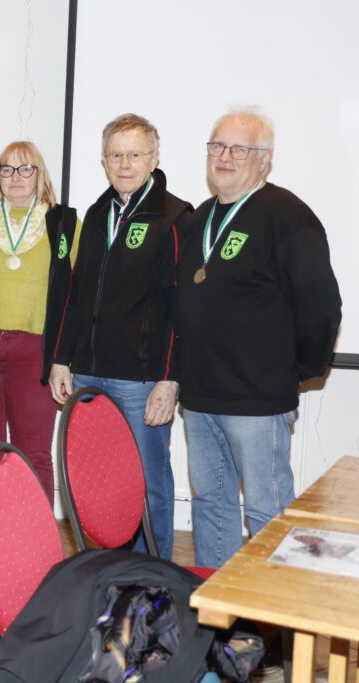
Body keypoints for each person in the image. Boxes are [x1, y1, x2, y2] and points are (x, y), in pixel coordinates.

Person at [176, 109, 341, 568]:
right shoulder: (200, 217)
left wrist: (300, 370)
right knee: (210, 505)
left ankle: (277, 611)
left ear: (265, 159)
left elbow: (322, 306)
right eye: (217, 146)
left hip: (257, 399)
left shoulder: (288, 215)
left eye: (239, 149)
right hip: (200, 396)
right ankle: (216, 603)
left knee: (268, 511)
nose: (225, 157)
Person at [49, 114, 191, 560]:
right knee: (102, 485)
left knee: (148, 484)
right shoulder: (96, 214)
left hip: (140, 381)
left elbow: (181, 307)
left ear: (154, 158)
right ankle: (113, 569)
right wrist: (61, 358)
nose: (125, 164)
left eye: (134, 154)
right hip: (89, 375)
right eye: (116, 155)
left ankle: (152, 574)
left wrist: (169, 379)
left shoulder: (175, 217)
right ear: (103, 160)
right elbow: (75, 293)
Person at [0, 142, 81, 499]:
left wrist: (63, 358)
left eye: (25, 168)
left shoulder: (65, 222)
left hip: (35, 350)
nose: (16, 177)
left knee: (34, 453)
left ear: (39, 174)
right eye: (7, 169)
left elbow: (76, 295)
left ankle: (36, 534)